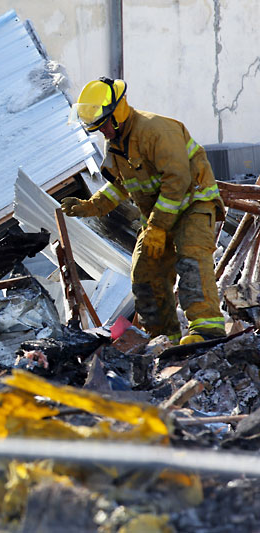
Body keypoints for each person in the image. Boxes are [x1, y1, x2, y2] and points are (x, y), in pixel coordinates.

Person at [64, 77, 226, 345]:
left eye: (103, 124)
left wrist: (158, 227)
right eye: (97, 128)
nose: (102, 131)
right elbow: (121, 186)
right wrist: (90, 206)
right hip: (158, 217)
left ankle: (208, 330)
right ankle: (164, 338)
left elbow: (177, 181)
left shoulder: (156, 130)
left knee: (191, 259)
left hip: (193, 204)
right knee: (144, 274)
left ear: (118, 111)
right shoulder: (117, 144)